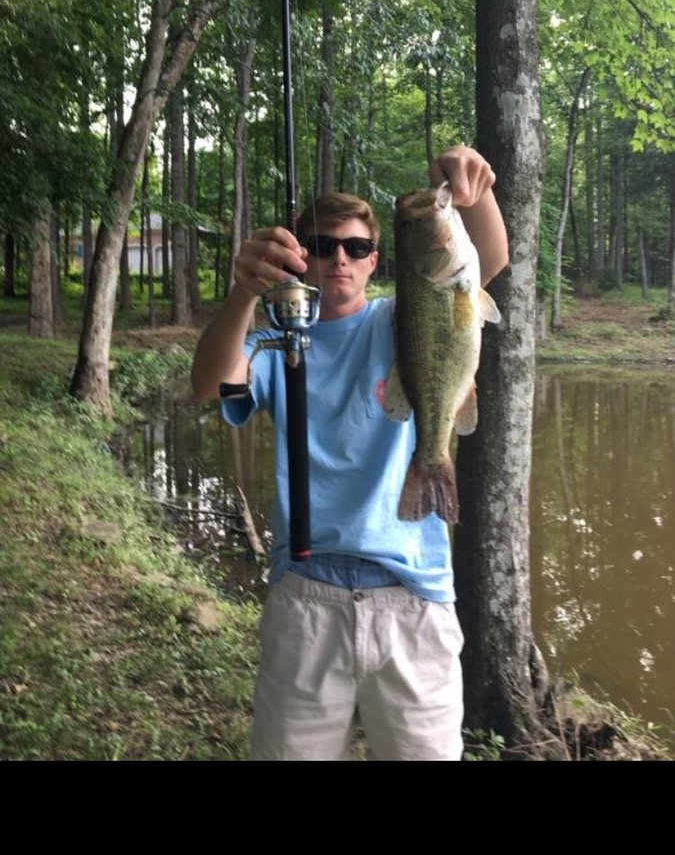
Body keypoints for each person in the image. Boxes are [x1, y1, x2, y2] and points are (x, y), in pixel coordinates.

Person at [191, 145, 509, 761]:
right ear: (301, 257)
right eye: (324, 244)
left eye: (357, 248)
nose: (341, 257)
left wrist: (475, 191)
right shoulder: (273, 343)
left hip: (413, 598)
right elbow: (211, 382)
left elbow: (490, 257)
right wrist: (243, 293)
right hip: (306, 597)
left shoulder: (401, 318)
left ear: (376, 261)